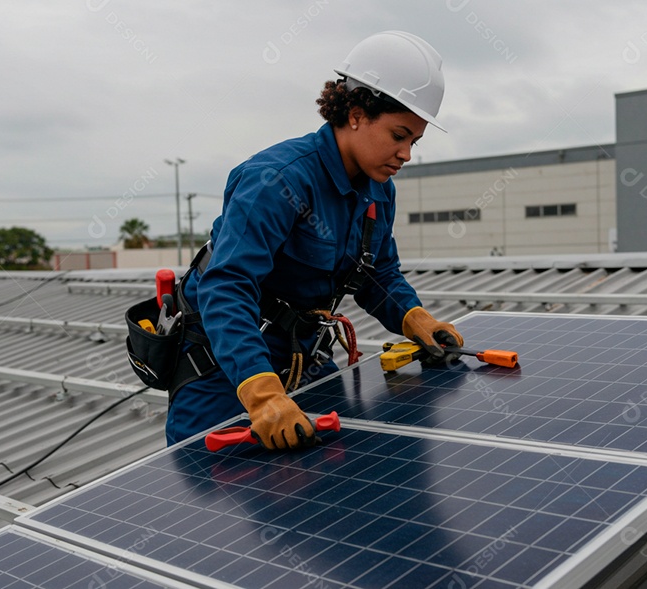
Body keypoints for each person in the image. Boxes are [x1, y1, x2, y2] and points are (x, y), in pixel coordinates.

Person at [166, 31, 465, 448]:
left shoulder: (379, 189)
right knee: (218, 499)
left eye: (414, 141)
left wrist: (414, 318)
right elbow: (227, 285)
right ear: (357, 113)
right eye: (398, 136)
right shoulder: (277, 179)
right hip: (226, 368)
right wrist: (262, 394)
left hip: (304, 359)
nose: (406, 154)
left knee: (335, 475)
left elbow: (377, 273)